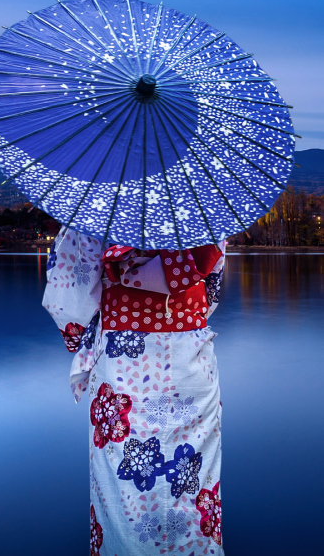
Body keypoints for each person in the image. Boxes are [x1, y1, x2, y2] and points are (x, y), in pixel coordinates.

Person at [42, 227, 225, 556]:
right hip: (191, 363)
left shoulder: (100, 205)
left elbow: (68, 296)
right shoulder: (202, 208)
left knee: (124, 492)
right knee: (192, 483)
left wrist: (82, 335)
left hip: (124, 365)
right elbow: (210, 287)